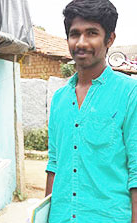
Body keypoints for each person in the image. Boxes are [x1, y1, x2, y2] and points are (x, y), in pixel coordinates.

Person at [45, 0, 137, 222]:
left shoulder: (129, 94)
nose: (81, 42)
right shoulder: (59, 99)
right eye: (75, 34)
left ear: (110, 39)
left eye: (92, 33)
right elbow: (54, 164)